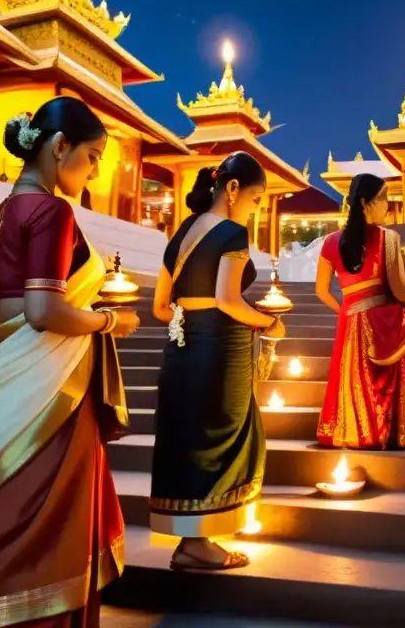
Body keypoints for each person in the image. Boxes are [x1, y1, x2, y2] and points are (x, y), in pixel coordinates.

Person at [0, 97, 140, 628]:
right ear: (59, 147)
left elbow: (12, 308)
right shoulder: (52, 211)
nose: (95, 170)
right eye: (93, 155)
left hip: (3, 383)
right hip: (46, 385)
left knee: (3, 518)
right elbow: (43, 310)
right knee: (48, 523)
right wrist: (109, 322)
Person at [149, 152, 284, 571]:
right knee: (224, 434)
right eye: (257, 197)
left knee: (189, 437)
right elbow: (228, 300)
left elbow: (159, 307)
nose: (256, 207)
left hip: (182, 348)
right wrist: (269, 323)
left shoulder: (182, 232)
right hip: (218, 351)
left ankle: (191, 540)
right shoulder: (231, 234)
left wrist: (190, 323)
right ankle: (199, 542)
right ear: (232, 189)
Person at [315, 173, 405, 449]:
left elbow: (321, 291)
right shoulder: (387, 238)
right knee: (386, 374)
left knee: (352, 379)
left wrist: (346, 309)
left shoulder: (331, 242)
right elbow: (399, 287)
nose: (388, 206)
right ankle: (388, 432)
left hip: (351, 321)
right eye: (384, 199)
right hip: (382, 320)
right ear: (366, 203)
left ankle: (355, 431)